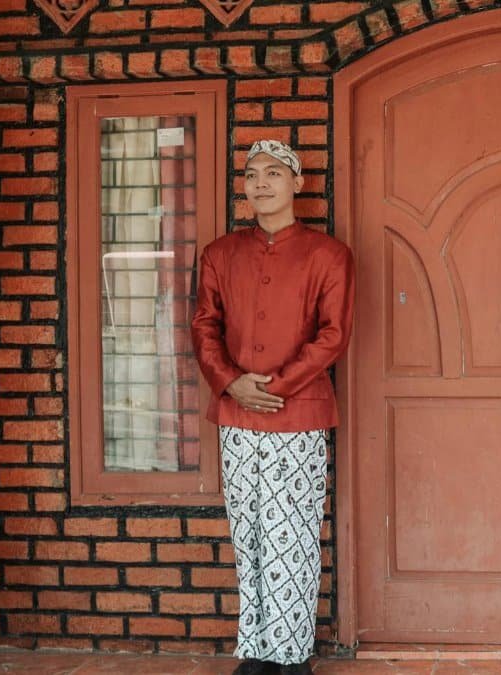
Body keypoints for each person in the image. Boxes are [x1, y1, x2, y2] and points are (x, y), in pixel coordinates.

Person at [191, 140, 355, 675]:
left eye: (274, 173)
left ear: (297, 183)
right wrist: (230, 383)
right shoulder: (220, 253)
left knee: (296, 534)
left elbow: (333, 336)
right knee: (250, 532)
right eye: (252, 174)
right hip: (236, 415)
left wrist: (276, 386)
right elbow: (204, 328)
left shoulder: (328, 254)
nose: (261, 183)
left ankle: (293, 655)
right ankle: (257, 651)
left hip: (298, 414)